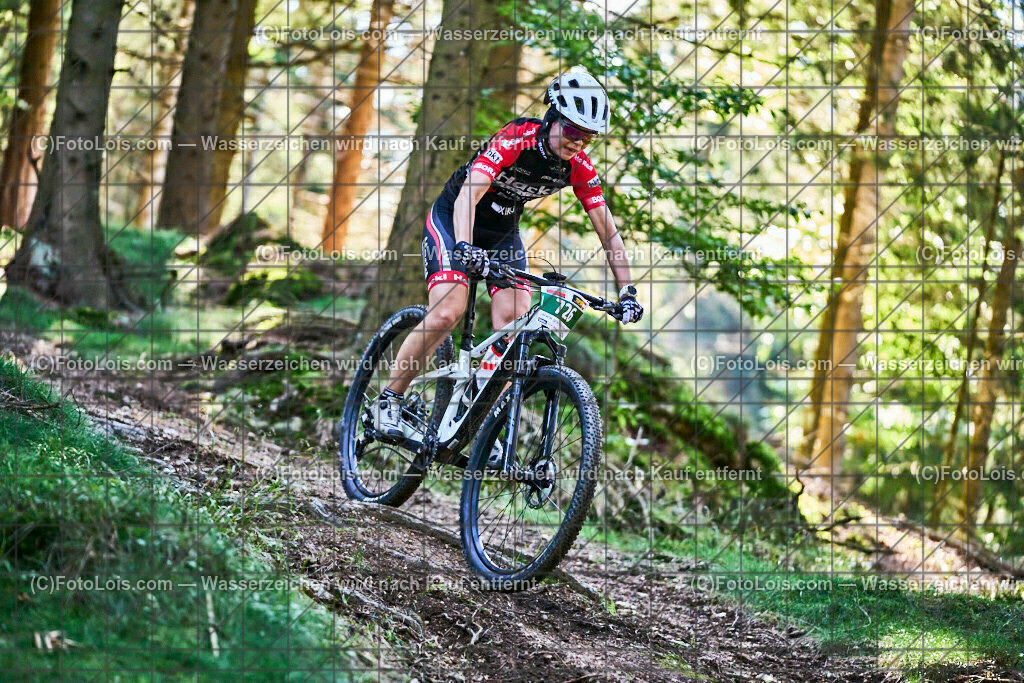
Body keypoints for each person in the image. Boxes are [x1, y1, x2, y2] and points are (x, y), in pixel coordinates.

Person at [372, 68, 643, 437]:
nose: (579, 142)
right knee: (448, 311)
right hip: (455, 219)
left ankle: (477, 426)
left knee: (515, 328)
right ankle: (389, 399)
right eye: (573, 131)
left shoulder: (578, 166)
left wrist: (628, 292)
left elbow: (608, 233)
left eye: (588, 136)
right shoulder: (517, 138)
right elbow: (468, 194)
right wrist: (464, 246)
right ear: (553, 118)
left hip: (501, 234)